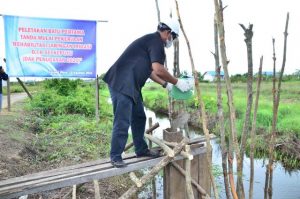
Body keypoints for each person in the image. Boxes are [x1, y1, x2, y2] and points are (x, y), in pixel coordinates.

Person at [103, 18, 192, 168]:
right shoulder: (156, 42)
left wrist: (166, 84)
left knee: (139, 117)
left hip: (131, 85)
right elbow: (158, 69)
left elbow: (150, 71)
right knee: (122, 120)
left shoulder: (150, 41)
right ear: (168, 33)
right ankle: (115, 156)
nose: (172, 40)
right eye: (174, 37)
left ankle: (141, 150)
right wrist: (177, 82)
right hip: (122, 83)